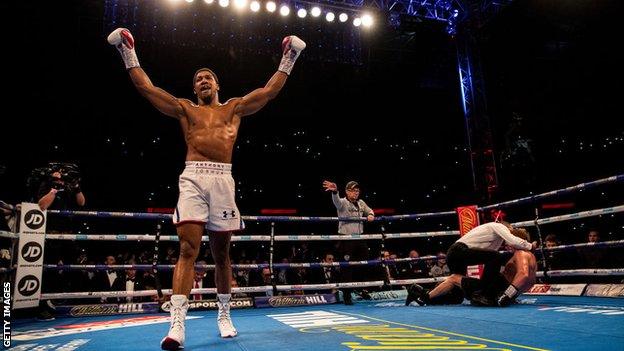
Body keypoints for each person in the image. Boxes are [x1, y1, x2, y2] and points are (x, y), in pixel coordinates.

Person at [108, 27, 306, 350]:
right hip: (193, 177)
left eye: (208, 78)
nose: (203, 81)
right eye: (198, 78)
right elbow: (147, 88)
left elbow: (269, 91)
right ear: (194, 86)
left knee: (222, 254)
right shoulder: (186, 110)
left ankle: (224, 313)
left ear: (217, 85)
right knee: (188, 250)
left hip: (223, 179)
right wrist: (127, 51)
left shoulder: (234, 109)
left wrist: (289, 57)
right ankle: (177, 323)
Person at [405, 221, 535, 306]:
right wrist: (530, 245)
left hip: (459, 255)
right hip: (458, 251)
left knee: (457, 294)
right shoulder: (499, 227)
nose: (508, 238)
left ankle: (424, 296)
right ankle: (483, 293)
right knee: (495, 257)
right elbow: (510, 243)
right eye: (510, 231)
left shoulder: (500, 243)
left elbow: (488, 257)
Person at [407, 249, 537, 307]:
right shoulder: (532, 258)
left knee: (453, 278)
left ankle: (424, 297)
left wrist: (507, 295)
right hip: (497, 290)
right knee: (458, 293)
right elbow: (530, 281)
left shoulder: (520, 253)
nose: (507, 245)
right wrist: (512, 296)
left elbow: (523, 275)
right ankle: (422, 293)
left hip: (492, 290)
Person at [322, 180, 374, 304]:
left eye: (357, 190)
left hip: (360, 239)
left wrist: (371, 214)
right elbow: (336, 201)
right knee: (346, 269)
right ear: (347, 191)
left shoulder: (361, 203)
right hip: (346, 239)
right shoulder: (343, 203)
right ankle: (347, 296)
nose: (356, 193)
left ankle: (359, 288)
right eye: (353, 190)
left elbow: (369, 210)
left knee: (365, 262)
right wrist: (334, 191)